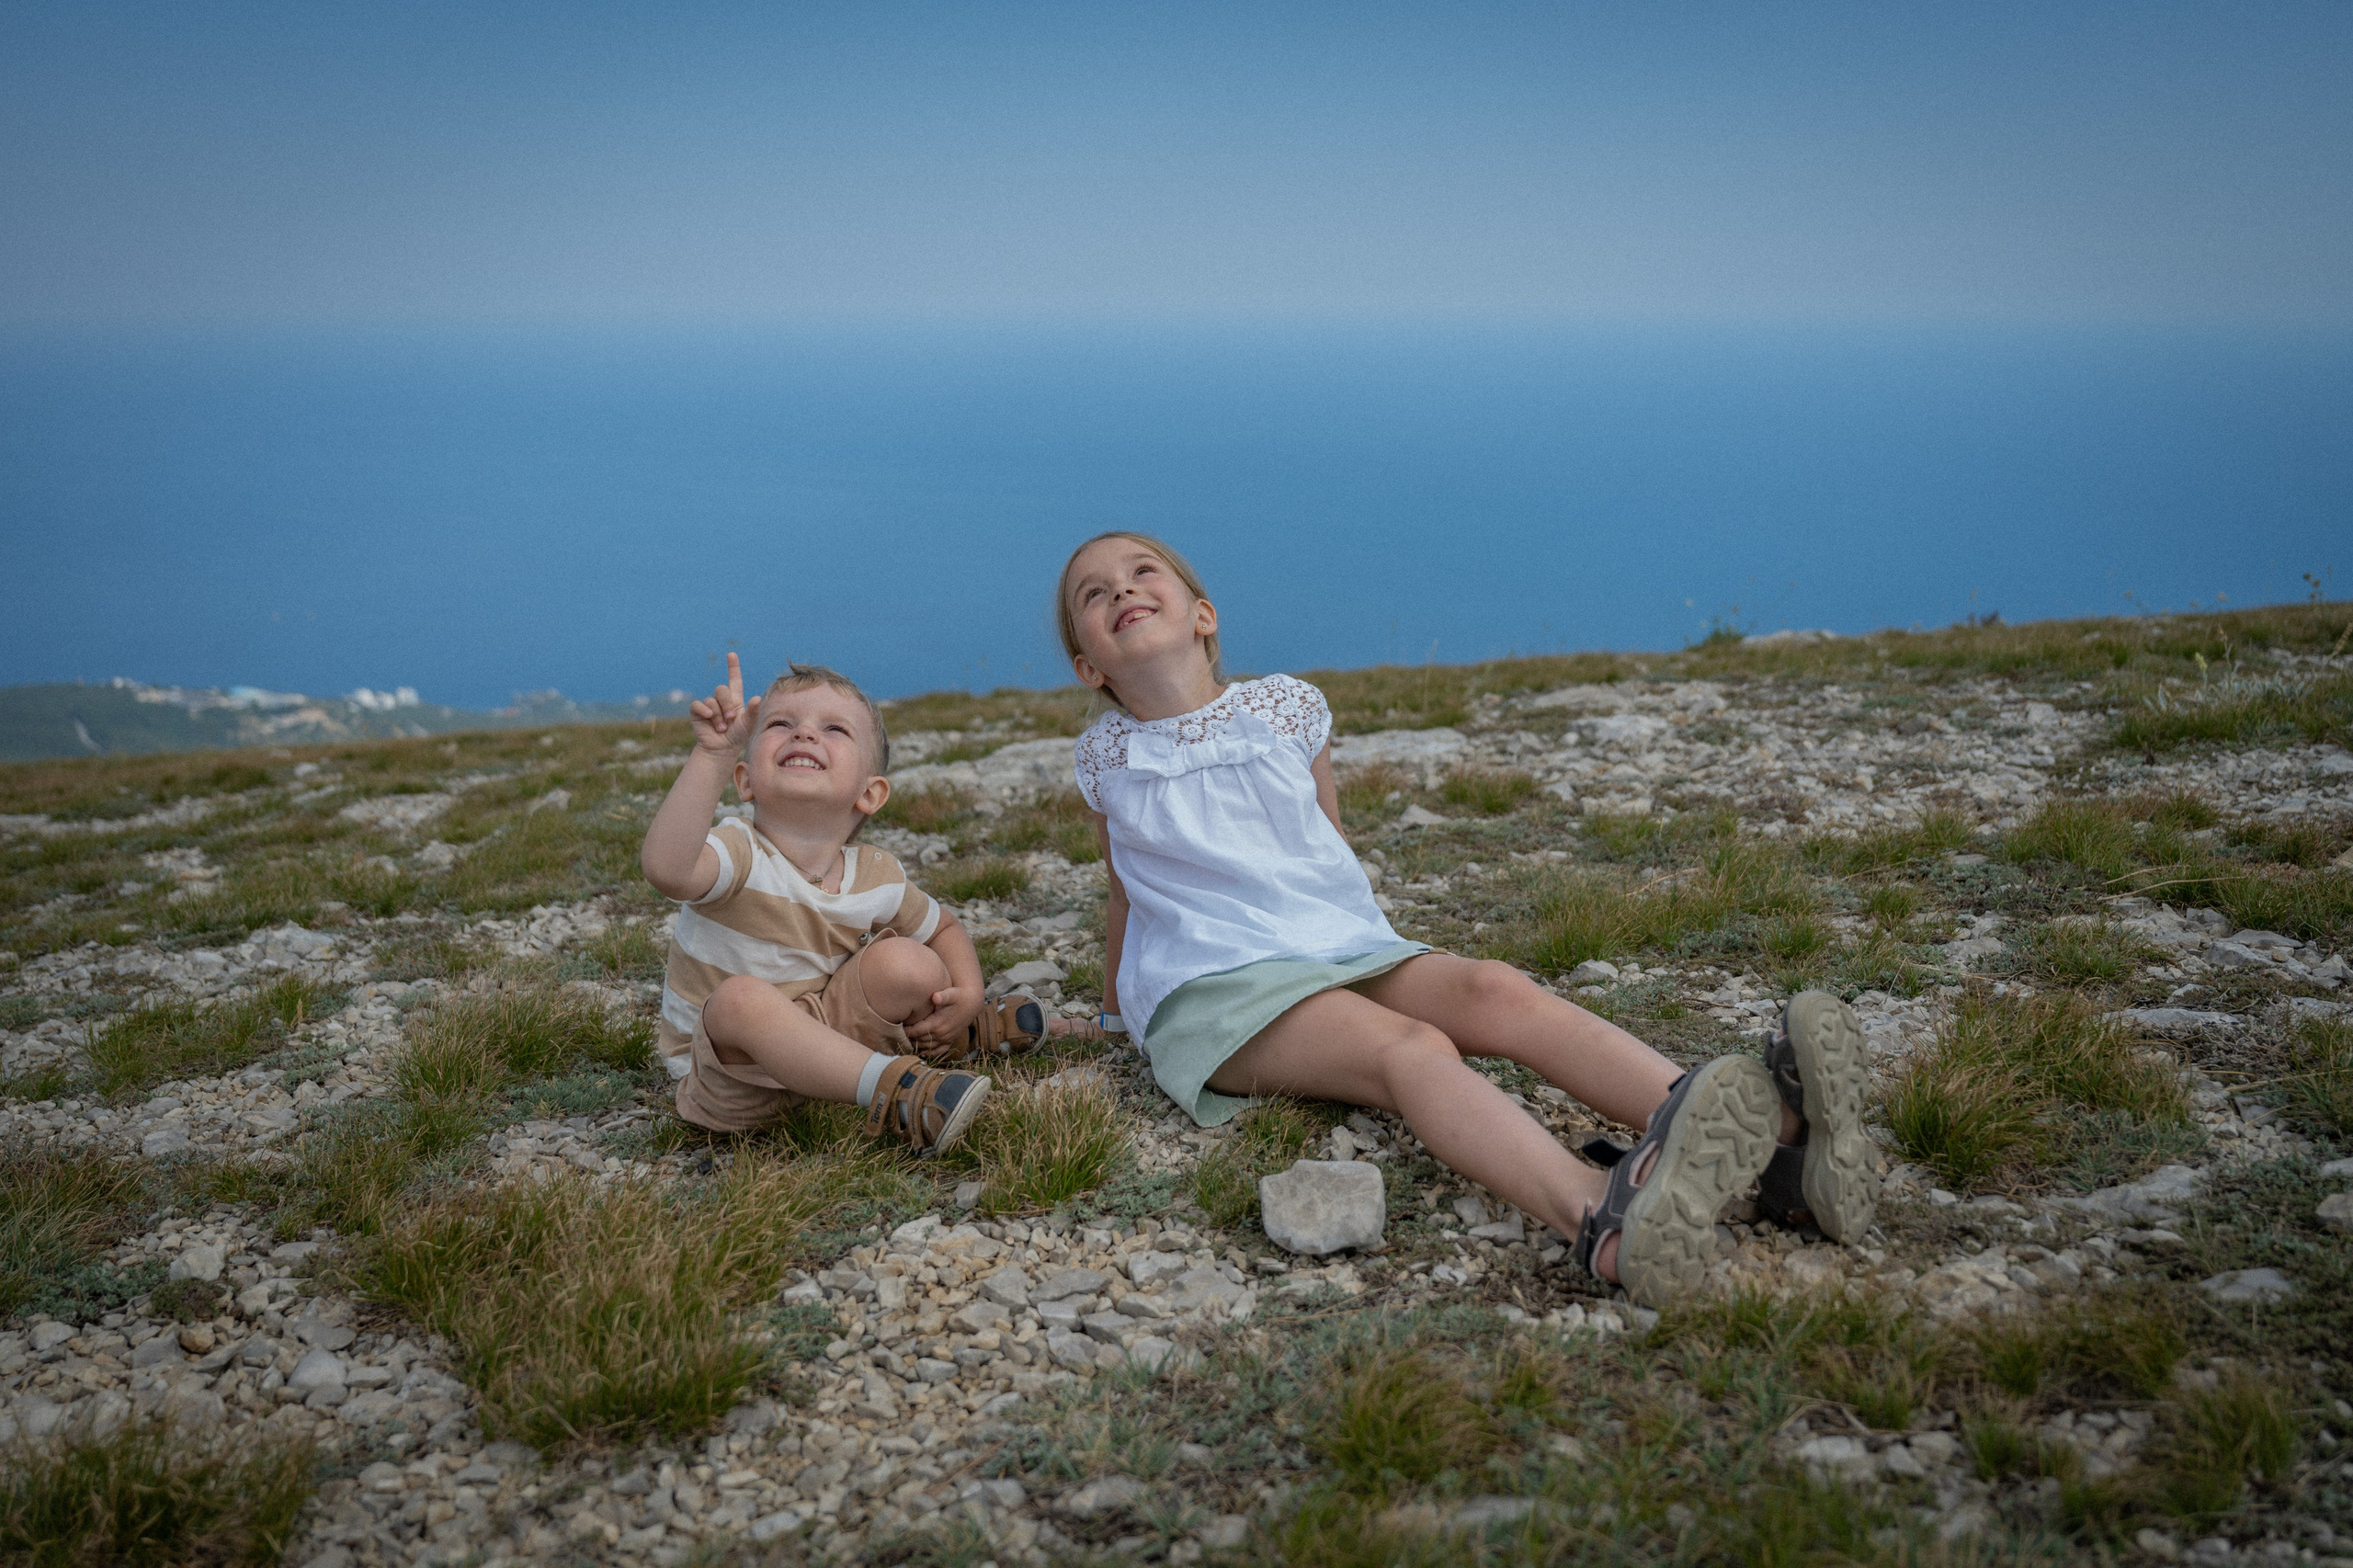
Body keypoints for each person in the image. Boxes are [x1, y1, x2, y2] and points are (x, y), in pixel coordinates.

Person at [1055, 531, 1878, 1306]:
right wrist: (1115, 1019)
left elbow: (1326, 847)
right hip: (1216, 990)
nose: (1122, 589)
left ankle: (1780, 1142)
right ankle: (1597, 1218)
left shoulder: (1285, 708)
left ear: (1203, 615)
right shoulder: (1109, 759)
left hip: (1335, 945)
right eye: (1094, 593)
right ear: (1090, 667)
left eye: (1142, 571)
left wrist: (1387, 961)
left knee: (1495, 988)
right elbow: (1127, 894)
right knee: (1412, 1049)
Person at [641, 654, 1094, 1153]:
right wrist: (713, 755)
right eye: (780, 724)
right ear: (745, 780)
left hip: (827, 1036)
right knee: (739, 1001)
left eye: (834, 728)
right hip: (733, 1075)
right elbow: (668, 869)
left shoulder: (876, 875)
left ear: (870, 793)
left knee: (907, 962)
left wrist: (967, 992)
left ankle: (954, 1035)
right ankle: (897, 1090)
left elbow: (943, 928)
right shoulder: (737, 851)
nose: (804, 734)